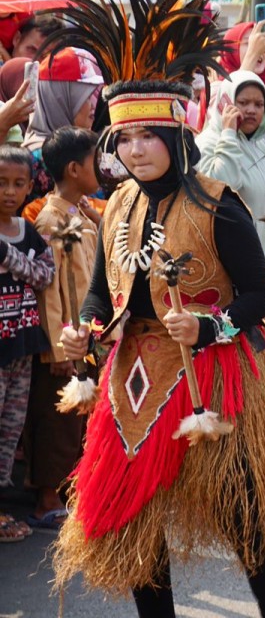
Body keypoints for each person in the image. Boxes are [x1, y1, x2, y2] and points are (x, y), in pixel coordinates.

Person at [52, 0, 265, 616]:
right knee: (136, 520)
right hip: (132, 375)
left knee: (244, 517)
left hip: (212, 374)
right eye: (123, 141)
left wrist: (210, 328)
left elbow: (260, 296)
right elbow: (104, 292)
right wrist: (87, 328)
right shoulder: (117, 207)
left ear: (173, 136)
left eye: (146, 138)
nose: (133, 151)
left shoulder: (218, 203)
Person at [24, 127, 99, 532]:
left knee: (79, 420)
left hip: (85, 337)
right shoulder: (52, 220)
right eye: (93, 160)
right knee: (57, 420)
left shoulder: (81, 212)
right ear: (73, 169)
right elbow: (50, 292)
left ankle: (72, 489)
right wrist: (58, 349)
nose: (100, 166)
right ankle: (46, 498)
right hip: (64, 344)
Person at [0, 145, 53, 542]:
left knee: (10, 429)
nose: (9, 192)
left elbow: (45, 274)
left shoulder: (26, 231)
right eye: (1, 183)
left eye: (19, 183)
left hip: (21, 346)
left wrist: (8, 256)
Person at [195, 71, 265, 260]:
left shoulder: (261, 144)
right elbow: (219, 191)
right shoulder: (206, 143)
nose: (252, 110)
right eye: (243, 103)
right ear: (224, 102)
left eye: (259, 104)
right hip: (233, 264)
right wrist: (229, 133)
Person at [23, 47, 104, 204]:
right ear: (60, 99)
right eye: (86, 97)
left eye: (94, 95)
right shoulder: (40, 158)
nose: (94, 105)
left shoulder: (88, 146)